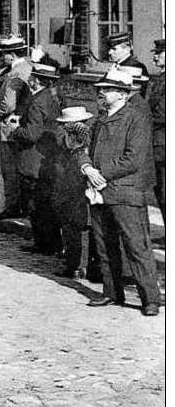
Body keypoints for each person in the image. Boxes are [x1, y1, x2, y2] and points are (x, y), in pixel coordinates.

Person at [80, 69, 160, 316]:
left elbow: (133, 159)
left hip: (125, 192)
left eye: (108, 89)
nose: (102, 92)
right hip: (99, 191)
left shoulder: (136, 118)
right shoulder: (100, 118)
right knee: (104, 245)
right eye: (101, 89)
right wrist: (86, 166)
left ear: (123, 94)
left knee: (136, 246)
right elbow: (83, 147)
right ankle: (112, 292)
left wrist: (100, 172)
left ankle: (150, 299)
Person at [4, 62, 62, 254]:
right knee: (45, 202)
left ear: (35, 80)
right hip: (47, 155)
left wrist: (15, 129)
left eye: (32, 77)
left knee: (36, 204)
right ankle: (52, 243)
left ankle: (45, 244)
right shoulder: (50, 97)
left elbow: (31, 134)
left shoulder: (37, 102)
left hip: (33, 157)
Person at [46, 106, 94, 279]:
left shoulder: (79, 147)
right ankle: (76, 264)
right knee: (74, 230)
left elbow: (83, 162)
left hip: (77, 195)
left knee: (77, 230)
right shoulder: (70, 147)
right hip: (69, 194)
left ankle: (77, 266)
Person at [0, 35, 33, 217]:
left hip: (10, 125)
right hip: (26, 123)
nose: (2, 58)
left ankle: (13, 207)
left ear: (11, 55)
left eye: (4, 54)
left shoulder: (16, 73)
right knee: (23, 166)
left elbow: (9, 104)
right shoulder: (30, 67)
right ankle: (24, 207)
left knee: (10, 168)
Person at [148, 39, 164, 218]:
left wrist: (144, 122)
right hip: (159, 144)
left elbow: (163, 114)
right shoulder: (161, 78)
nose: (155, 57)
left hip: (163, 144)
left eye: (159, 53)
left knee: (165, 194)